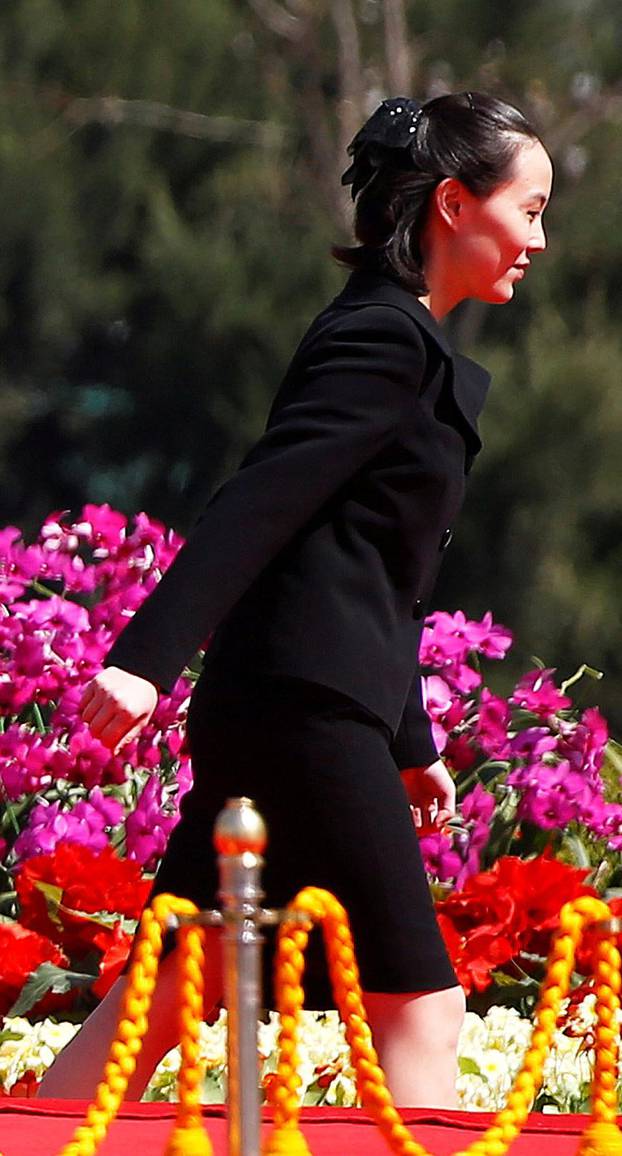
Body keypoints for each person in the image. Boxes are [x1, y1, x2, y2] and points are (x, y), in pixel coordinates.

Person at [39, 91, 552, 1107]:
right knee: (422, 1006)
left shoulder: (402, 341)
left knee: (169, 987)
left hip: (296, 702)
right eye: (528, 209)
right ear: (454, 203)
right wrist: (141, 662)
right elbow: (260, 503)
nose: (539, 237)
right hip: (301, 713)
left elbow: (372, 567)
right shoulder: (383, 340)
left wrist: (410, 742)